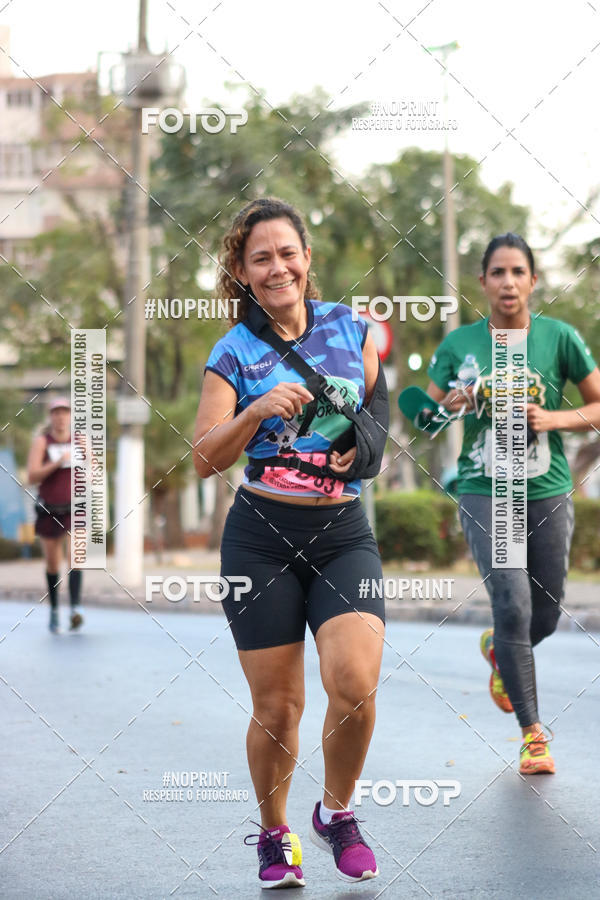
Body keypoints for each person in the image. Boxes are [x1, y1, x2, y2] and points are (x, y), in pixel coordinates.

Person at [193, 197, 387, 888]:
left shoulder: (350, 327)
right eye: (260, 259)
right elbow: (202, 458)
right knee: (279, 709)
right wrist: (252, 411)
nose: (277, 268)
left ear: (307, 259)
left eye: (287, 253)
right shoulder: (233, 351)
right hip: (260, 541)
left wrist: (356, 456)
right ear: (242, 273)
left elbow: (378, 424)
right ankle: (275, 836)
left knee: (356, 685)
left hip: (342, 534)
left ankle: (336, 814)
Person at [425, 233, 600, 774]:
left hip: (546, 486)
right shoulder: (460, 345)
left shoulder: (558, 337)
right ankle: (533, 736)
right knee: (514, 604)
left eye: (517, 272)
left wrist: (554, 419)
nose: (507, 282)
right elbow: (427, 417)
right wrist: (456, 401)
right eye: (497, 272)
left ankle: (499, 649)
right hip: (484, 486)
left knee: (544, 613)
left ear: (533, 280)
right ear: (483, 282)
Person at [27, 397, 84, 633]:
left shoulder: (80, 440)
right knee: (53, 563)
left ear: (70, 416)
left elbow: (95, 471)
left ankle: (75, 609)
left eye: (65, 412)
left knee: (77, 557)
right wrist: (57, 462)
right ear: (51, 417)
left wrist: (87, 460)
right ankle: (54, 610)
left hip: (76, 507)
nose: (61, 417)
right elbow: (32, 476)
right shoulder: (42, 442)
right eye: (56, 413)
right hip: (50, 509)